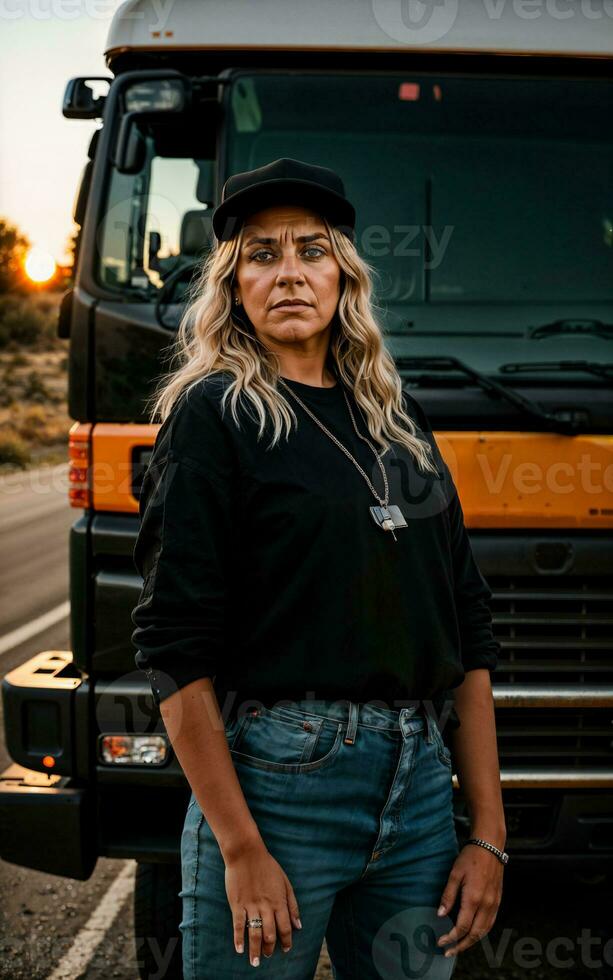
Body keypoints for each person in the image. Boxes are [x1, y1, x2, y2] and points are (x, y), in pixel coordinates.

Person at [131, 157, 507, 979]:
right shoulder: (215, 416)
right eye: (262, 255)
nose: (289, 273)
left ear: (343, 274)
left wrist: (487, 833)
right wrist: (240, 848)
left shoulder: (397, 420)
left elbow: (467, 626)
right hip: (277, 789)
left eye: (311, 250)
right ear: (233, 288)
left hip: (417, 794)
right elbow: (173, 646)